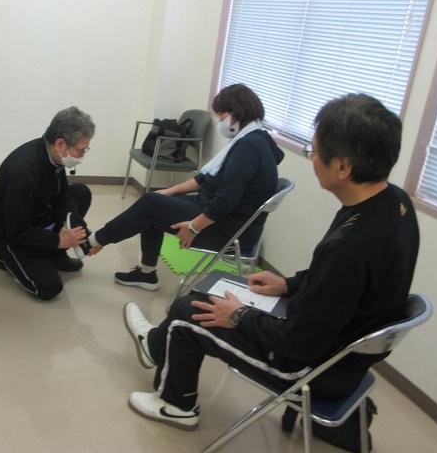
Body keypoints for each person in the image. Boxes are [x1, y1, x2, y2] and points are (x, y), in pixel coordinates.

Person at [122, 93, 419, 431]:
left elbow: (299, 342)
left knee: (187, 312)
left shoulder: (350, 247)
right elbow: (341, 282)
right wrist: (288, 284)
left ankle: (177, 405)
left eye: (314, 151)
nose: (312, 159)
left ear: (343, 167)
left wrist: (239, 315)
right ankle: (155, 345)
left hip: (308, 367)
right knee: (211, 292)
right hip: (341, 351)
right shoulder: (394, 202)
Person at [88, 83, 284, 290]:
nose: (220, 121)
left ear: (237, 112)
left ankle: (93, 241)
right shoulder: (254, 138)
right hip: (219, 215)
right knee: (156, 200)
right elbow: (205, 179)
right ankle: (145, 273)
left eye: (222, 115)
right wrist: (169, 191)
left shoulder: (248, 148)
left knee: (150, 204)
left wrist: (193, 227)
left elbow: (225, 201)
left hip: (229, 231)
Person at [0, 106, 95, 301]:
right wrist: (57, 240)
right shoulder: (23, 171)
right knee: (49, 288)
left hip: (34, 217)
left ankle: (55, 255)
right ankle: (4, 258)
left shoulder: (54, 157)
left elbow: (63, 200)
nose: (82, 155)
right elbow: (16, 229)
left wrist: (82, 235)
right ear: (60, 143)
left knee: (80, 193)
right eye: (80, 150)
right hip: (9, 234)